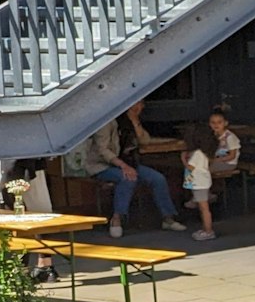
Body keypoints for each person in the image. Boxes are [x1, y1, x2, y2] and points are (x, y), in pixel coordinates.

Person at [79, 101, 185, 238]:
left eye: (140, 104)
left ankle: (168, 218)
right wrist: (123, 166)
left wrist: (135, 122)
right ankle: (117, 219)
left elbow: (144, 141)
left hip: (128, 162)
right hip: (102, 165)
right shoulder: (107, 122)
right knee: (127, 178)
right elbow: (103, 150)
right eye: (134, 104)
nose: (138, 108)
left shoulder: (129, 121)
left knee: (157, 178)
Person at [180, 127, 219, 242]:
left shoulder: (197, 154)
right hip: (202, 182)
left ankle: (208, 231)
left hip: (199, 183)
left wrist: (183, 159)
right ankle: (206, 229)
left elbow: (190, 166)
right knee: (203, 206)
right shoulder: (204, 153)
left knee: (204, 208)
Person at [208, 107, 242, 173]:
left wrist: (216, 160)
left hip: (228, 163)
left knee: (205, 171)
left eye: (219, 122)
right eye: (213, 122)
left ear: (225, 123)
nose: (216, 125)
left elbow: (232, 156)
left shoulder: (230, 137)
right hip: (216, 161)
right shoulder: (212, 135)